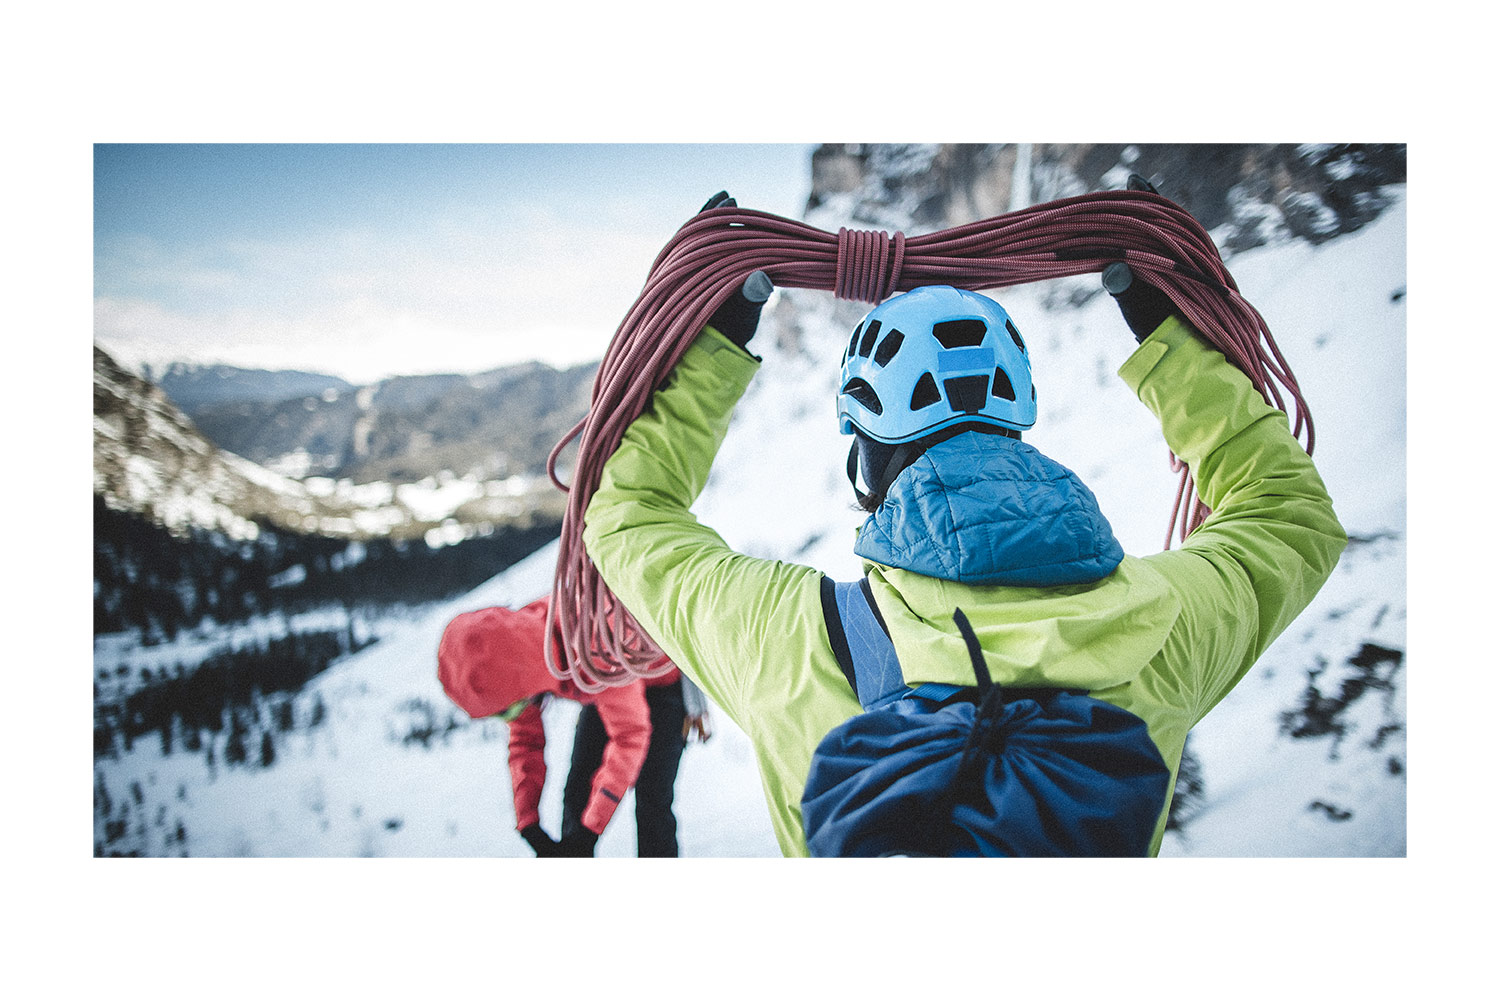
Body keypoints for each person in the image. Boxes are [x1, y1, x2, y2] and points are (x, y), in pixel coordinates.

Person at [578, 188, 1348, 857]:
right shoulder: (1159, 625)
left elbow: (626, 515)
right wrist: (1169, 333)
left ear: (867, 461)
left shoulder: (787, 639)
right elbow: (1287, 515)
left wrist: (714, 339)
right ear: (1015, 425)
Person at [437, 596, 669, 857]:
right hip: (602, 688)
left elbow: (629, 737)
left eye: (506, 711)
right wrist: (529, 823)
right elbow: (526, 741)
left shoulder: (594, 638)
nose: (511, 718)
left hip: (660, 682)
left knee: (652, 800)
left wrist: (589, 832)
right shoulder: (520, 662)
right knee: (577, 795)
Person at [561, 671, 710, 857]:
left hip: (663, 692)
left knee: (654, 802)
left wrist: (695, 703)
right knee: (580, 792)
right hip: (606, 684)